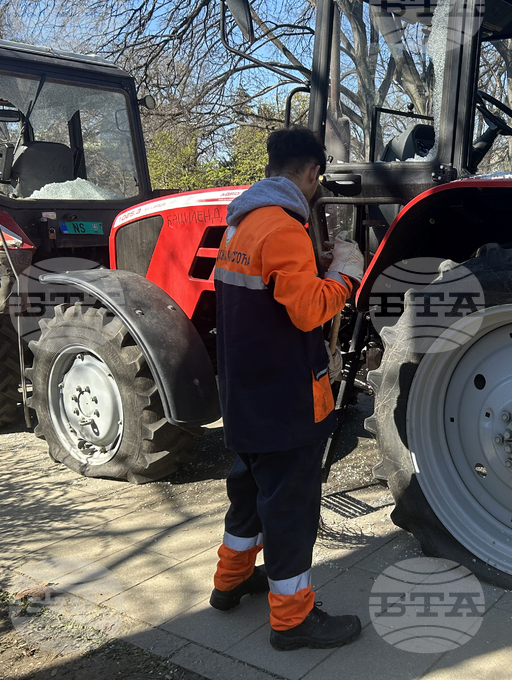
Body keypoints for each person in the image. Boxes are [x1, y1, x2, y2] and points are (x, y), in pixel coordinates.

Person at [209, 126, 365, 651]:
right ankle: (293, 620)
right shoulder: (283, 227)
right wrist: (344, 276)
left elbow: (271, 292)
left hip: (245, 397)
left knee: (249, 495)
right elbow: (308, 311)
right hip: (285, 400)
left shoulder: (243, 223)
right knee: (291, 511)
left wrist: (314, 266)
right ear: (312, 173)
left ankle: (228, 584)